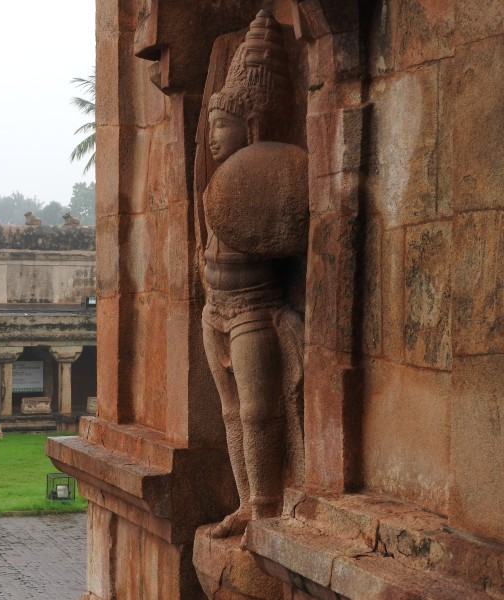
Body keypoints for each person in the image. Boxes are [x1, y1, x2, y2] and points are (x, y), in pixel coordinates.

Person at [200, 9, 305, 539]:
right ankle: (246, 502)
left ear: (253, 125)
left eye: (223, 124)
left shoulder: (274, 175)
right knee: (230, 409)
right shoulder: (216, 186)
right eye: (213, 123)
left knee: (260, 410)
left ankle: (266, 503)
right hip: (213, 309)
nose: (213, 136)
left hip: (253, 309)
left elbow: (292, 234)